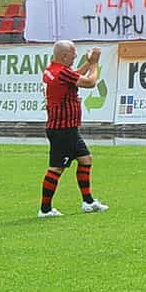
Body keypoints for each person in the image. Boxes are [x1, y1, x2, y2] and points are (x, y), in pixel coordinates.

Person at [38, 41, 105, 218]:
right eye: (73, 54)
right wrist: (95, 63)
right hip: (63, 128)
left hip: (65, 127)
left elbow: (73, 76)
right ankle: (45, 209)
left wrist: (88, 63)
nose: (76, 56)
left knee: (85, 159)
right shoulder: (61, 73)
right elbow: (90, 82)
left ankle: (88, 201)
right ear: (64, 56)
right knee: (56, 168)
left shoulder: (52, 70)